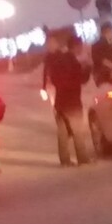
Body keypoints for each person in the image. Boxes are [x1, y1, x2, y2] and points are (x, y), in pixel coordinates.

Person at [46, 35, 92, 167]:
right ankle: (83, 159)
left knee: (63, 133)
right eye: (80, 47)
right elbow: (80, 79)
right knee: (78, 132)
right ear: (75, 47)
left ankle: (65, 160)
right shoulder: (73, 61)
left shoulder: (58, 60)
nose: (81, 49)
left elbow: (53, 78)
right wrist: (87, 68)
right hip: (72, 102)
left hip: (60, 102)